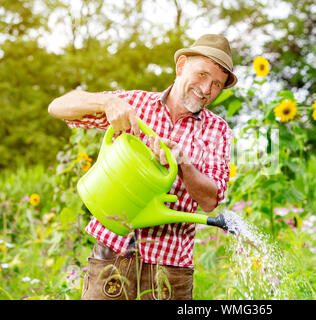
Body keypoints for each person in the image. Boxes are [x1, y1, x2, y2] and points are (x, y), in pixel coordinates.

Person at [48, 34, 237, 300]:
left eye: (216, 84)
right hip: (112, 256)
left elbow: (210, 201)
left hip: (170, 270)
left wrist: (183, 162)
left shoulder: (218, 131)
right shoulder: (136, 105)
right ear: (181, 65)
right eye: (202, 74)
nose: (206, 89)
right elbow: (58, 106)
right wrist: (107, 102)